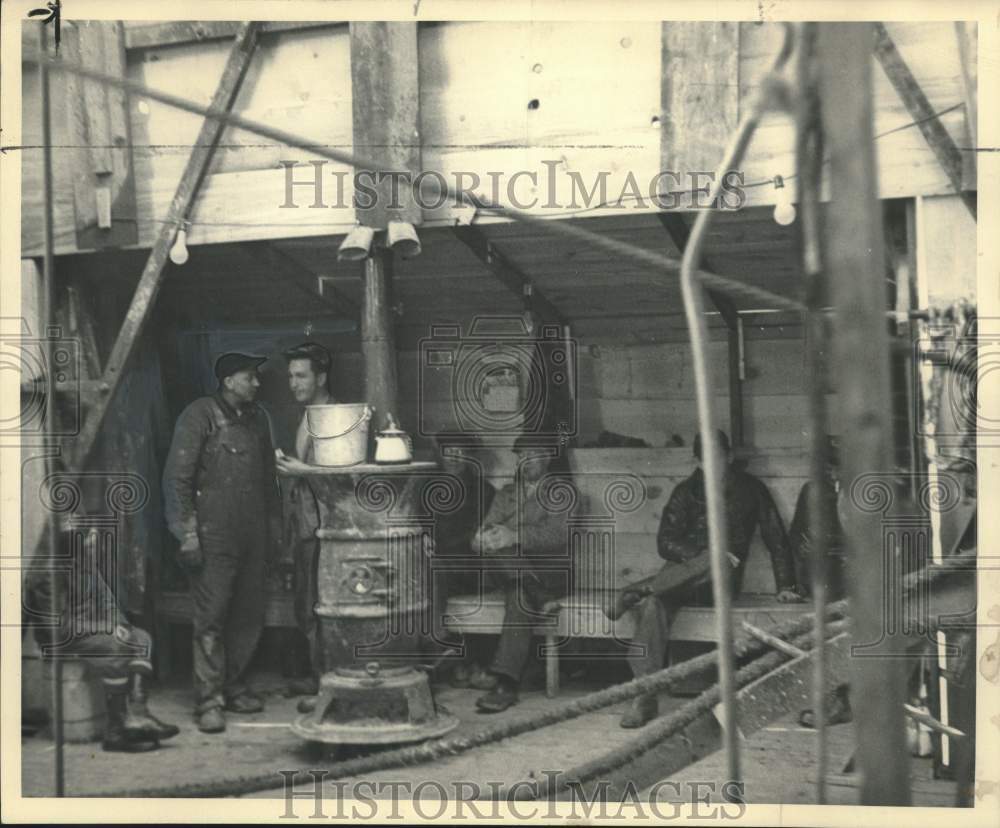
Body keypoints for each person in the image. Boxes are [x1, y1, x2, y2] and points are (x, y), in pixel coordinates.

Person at [616, 429, 803, 729]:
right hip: (681, 576)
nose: (711, 464)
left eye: (717, 457)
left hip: (719, 581)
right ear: (697, 461)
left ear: (728, 456)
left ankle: (641, 587)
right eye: (705, 459)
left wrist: (786, 586)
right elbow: (665, 542)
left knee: (708, 564)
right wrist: (701, 555)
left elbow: (776, 537)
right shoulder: (685, 492)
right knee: (655, 605)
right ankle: (644, 694)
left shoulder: (751, 489)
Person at [162, 352, 282, 734]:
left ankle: (233, 686)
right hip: (213, 536)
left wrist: (276, 528)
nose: (257, 384)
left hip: (253, 534)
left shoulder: (257, 418)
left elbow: (269, 481)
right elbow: (177, 479)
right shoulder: (200, 415)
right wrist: (187, 533)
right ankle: (209, 701)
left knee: (248, 613)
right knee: (211, 617)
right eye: (251, 378)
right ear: (229, 381)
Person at [28, 527, 179, 752]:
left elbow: (106, 598)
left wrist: (119, 623)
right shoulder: (48, 572)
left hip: (92, 631)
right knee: (116, 646)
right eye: (87, 534)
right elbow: (59, 627)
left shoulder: (83, 559)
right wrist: (107, 629)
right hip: (63, 638)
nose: (94, 538)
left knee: (141, 638)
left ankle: (138, 712)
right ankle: (116, 732)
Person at [471, 436, 575, 713]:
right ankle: (536, 593)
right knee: (498, 550)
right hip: (505, 570)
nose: (524, 461)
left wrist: (512, 536)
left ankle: (505, 683)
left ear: (547, 458)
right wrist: (482, 539)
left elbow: (558, 535)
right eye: (520, 456)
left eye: (533, 455)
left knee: (519, 596)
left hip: (550, 572)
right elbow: (486, 528)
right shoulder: (506, 493)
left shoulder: (562, 492)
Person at [274, 342, 333, 705]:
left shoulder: (329, 417)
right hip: (305, 522)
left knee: (317, 606)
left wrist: (300, 469)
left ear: (321, 377)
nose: (293, 383)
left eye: (301, 375)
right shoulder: (310, 413)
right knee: (307, 606)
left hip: (322, 525)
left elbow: (342, 477)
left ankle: (327, 682)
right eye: (290, 377)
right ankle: (318, 677)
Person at [429, 434, 494, 687]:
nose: (454, 456)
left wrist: (443, 548)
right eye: (449, 450)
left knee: (433, 571)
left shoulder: (483, 491)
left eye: (460, 451)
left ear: (469, 456)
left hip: (470, 567)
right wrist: (423, 538)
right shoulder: (426, 488)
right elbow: (418, 522)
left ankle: (438, 643)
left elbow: (481, 533)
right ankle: (449, 659)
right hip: (434, 566)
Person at [788, 437, 847, 602]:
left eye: (839, 467)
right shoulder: (811, 491)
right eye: (828, 467)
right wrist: (803, 547)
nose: (833, 474)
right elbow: (795, 532)